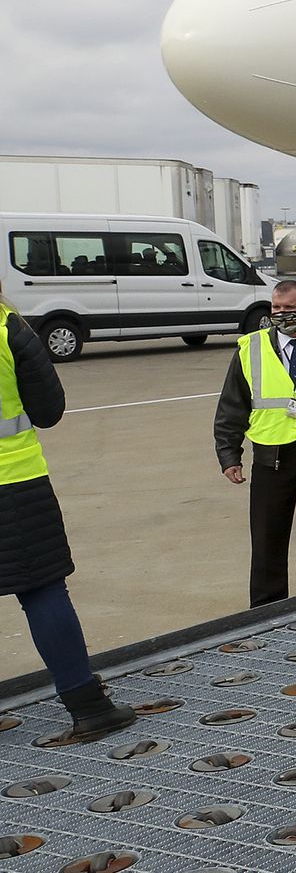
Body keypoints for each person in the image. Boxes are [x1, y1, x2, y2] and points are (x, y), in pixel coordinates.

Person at [0, 291, 137, 744]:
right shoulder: (8, 327)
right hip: (14, 484)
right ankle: (88, 706)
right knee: (41, 591)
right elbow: (48, 410)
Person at [213, 280, 296, 607]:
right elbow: (232, 406)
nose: (282, 315)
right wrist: (229, 454)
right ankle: (267, 607)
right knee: (267, 539)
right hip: (272, 458)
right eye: (276, 309)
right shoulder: (251, 348)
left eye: (289, 309)